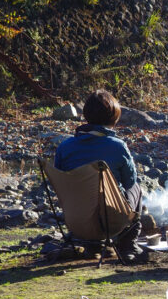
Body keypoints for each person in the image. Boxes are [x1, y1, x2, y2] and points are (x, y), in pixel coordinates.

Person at [55, 90, 146, 262]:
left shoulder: (65, 147)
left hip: (76, 219)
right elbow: (130, 181)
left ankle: (92, 246)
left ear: (86, 115)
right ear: (114, 118)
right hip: (111, 220)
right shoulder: (117, 146)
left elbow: (60, 184)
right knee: (136, 188)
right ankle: (128, 246)